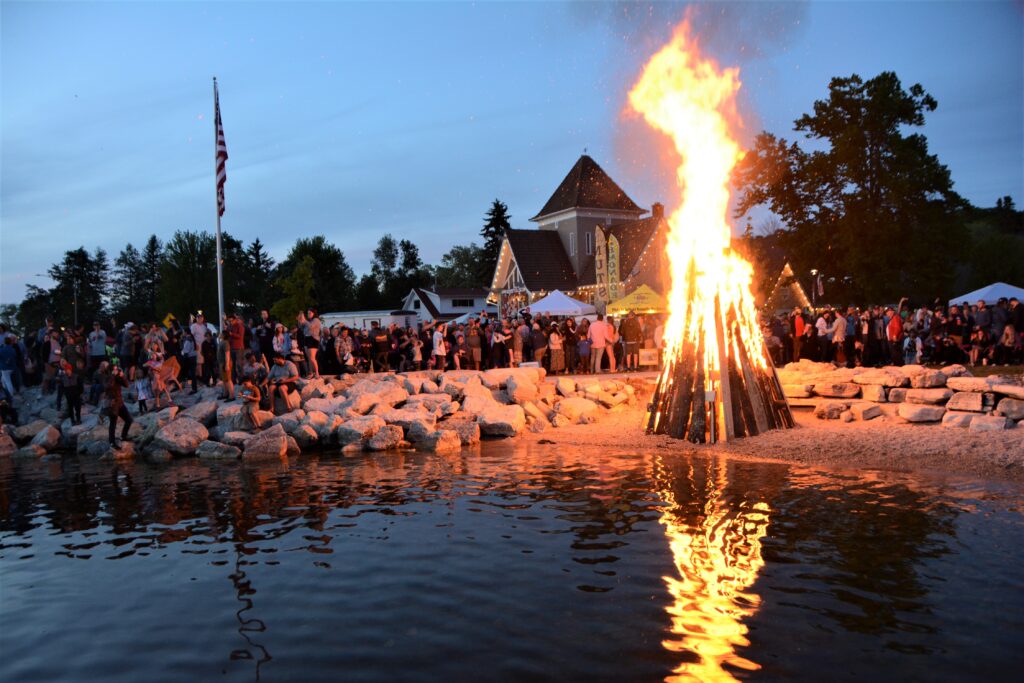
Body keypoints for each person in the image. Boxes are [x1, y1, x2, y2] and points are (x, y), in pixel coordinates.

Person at [104, 364, 133, 447]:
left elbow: (127, 385)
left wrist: (122, 376)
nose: (116, 371)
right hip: (112, 403)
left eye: (117, 369)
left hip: (119, 402)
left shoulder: (117, 377)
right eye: (114, 369)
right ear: (110, 370)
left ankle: (123, 436)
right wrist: (113, 376)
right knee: (113, 423)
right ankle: (112, 442)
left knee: (129, 420)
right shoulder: (107, 377)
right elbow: (108, 386)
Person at [303, 308, 322, 379]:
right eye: (307, 313)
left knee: (312, 358)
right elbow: (302, 328)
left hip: (313, 339)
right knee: (308, 358)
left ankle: (317, 373)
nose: (308, 314)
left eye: (310, 313)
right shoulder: (308, 321)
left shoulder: (316, 320)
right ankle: (311, 372)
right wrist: (300, 320)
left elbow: (311, 327)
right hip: (307, 339)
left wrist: (304, 321)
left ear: (314, 313)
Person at [217, 331, 234, 400]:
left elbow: (227, 353)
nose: (220, 334)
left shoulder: (225, 343)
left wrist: (227, 364)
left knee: (228, 380)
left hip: (225, 363)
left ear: (224, 335)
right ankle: (225, 393)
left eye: (221, 334)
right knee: (224, 380)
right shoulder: (222, 342)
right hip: (221, 363)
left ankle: (231, 396)